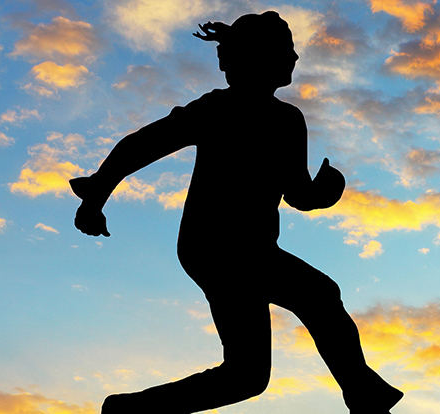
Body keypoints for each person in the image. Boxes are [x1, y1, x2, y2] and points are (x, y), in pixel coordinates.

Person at [69, 11, 403, 414]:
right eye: (285, 50)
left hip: (255, 250)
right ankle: (363, 392)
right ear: (255, 59)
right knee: (319, 296)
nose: (295, 58)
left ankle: (133, 409)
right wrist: (96, 195)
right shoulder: (217, 110)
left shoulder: (288, 120)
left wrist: (322, 193)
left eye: (293, 50)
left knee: (248, 375)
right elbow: (142, 145)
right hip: (213, 247)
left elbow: (296, 192)